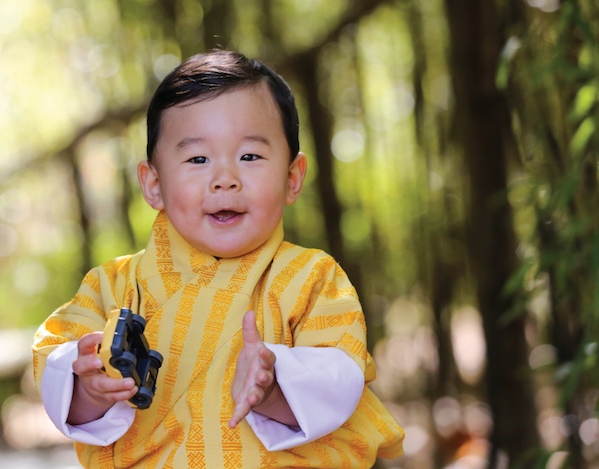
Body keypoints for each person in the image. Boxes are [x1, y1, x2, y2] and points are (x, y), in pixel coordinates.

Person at [33, 49, 405, 468]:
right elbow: (60, 379)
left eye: (250, 156)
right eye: (197, 159)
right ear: (153, 184)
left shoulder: (313, 279)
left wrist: (273, 388)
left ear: (292, 177)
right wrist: (88, 389)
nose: (224, 179)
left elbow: (339, 381)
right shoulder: (113, 286)